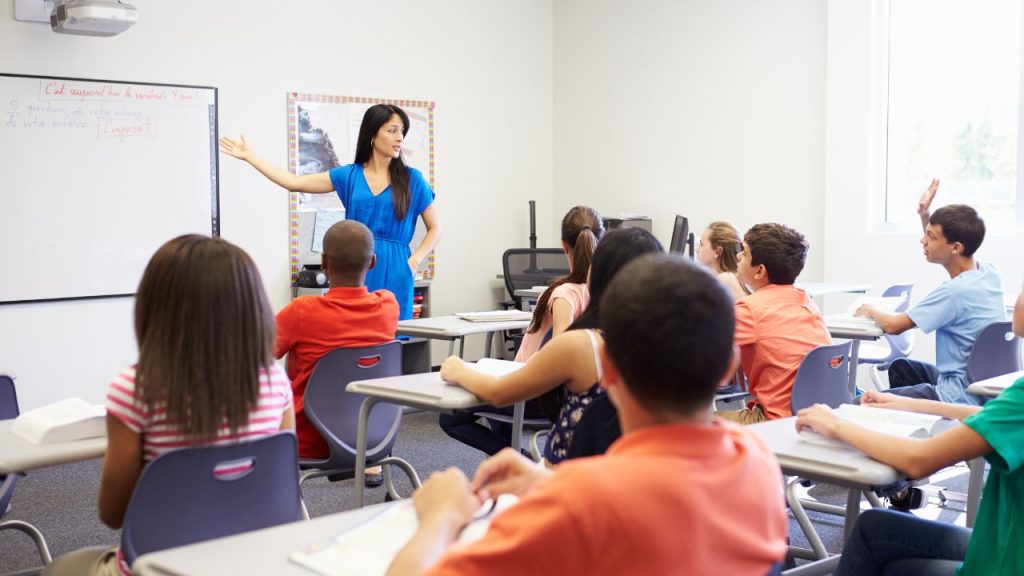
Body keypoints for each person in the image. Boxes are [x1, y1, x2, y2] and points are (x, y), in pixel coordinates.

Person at [387, 255, 788, 575]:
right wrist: (548, 484)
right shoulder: (758, 463)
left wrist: (440, 517)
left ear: (607, 369)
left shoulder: (581, 502)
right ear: (728, 366)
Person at [43, 235, 295, 576]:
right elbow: (281, 481)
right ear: (253, 306)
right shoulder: (275, 381)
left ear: (156, 306)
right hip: (250, 561)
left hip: (158, 565)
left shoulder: (134, 390)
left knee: (62, 568)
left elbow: (113, 514)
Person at [795, 283, 1024, 575]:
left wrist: (836, 423)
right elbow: (988, 415)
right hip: (1003, 543)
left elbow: (918, 461)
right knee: (878, 529)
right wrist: (907, 403)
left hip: (1003, 563)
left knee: (873, 533)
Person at [439, 228, 663, 464]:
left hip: (567, 483)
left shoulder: (581, 344)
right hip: (622, 477)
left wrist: (459, 370)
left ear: (596, 274)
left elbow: (498, 392)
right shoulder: (659, 350)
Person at [220, 103, 441, 320]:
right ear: (372, 135)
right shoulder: (349, 175)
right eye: (392, 131)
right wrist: (250, 156)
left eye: (402, 131)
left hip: (397, 269)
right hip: (356, 267)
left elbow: (435, 228)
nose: (400, 138)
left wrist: (414, 261)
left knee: (392, 339)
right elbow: (294, 182)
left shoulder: (413, 179)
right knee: (352, 334)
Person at [854, 179, 1004, 404]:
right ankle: (911, 427)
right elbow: (945, 243)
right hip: (976, 387)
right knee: (901, 368)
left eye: (931, 237)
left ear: (956, 247)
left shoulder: (954, 292)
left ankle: (914, 415)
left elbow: (894, 326)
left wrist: (871, 309)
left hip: (956, 396)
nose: (923, 241)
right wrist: (925, 214)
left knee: (861, 403)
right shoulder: (987, 272)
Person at [274, 220, 398, 486]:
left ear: (323, 263)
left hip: (311, 440)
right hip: (374, 434)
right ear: (373, 261)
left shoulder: (301, 311)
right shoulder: (388, 306)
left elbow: (255, 355)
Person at [718, 223, 831, 424]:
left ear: (760, 271)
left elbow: (701, 351)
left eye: (744, 252)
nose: (737, 256)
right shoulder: (807, 302)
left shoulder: (749, 310)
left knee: (687, 422)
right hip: (815, 418)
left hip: (773, 421)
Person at [514, 206, 604, 362]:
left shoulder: (564, 294)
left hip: (529, 379)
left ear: (564, 245)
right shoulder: (603, 292)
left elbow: (559, 357)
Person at [695, 220, 749, 301]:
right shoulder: (735, 277)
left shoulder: (724, 280)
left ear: (717, 251)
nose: (697, 249)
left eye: (702, 244)